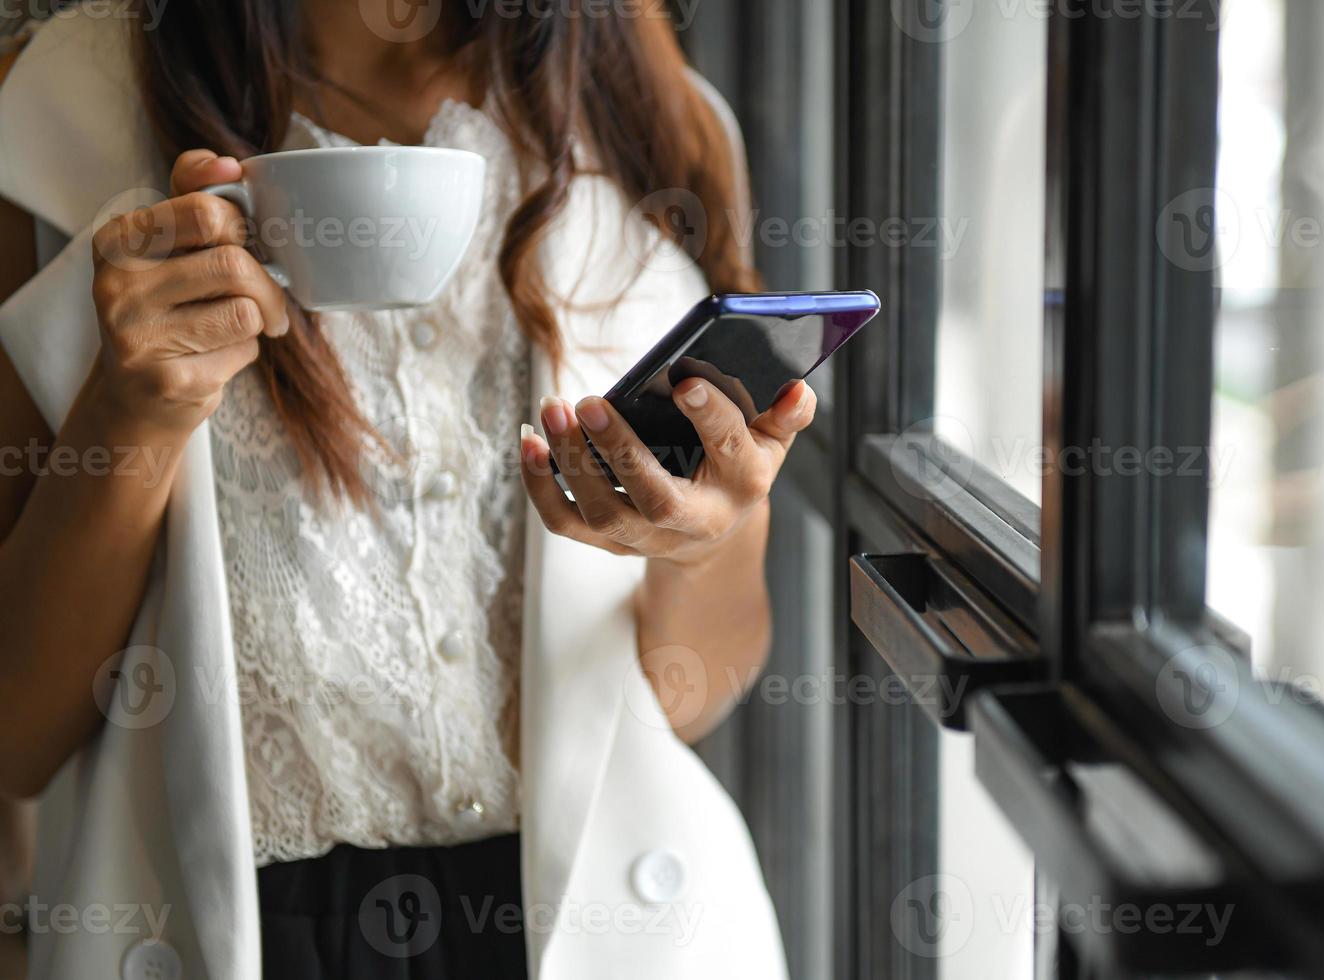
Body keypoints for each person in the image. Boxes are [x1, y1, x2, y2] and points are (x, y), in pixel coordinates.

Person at [0, 1, 800, 977]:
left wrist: (704, 535)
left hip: (602, 924)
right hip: (243, 932)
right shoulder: (54, 109)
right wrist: (130, 413)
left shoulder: (655, 112)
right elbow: (17, 735)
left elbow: (688, 698)